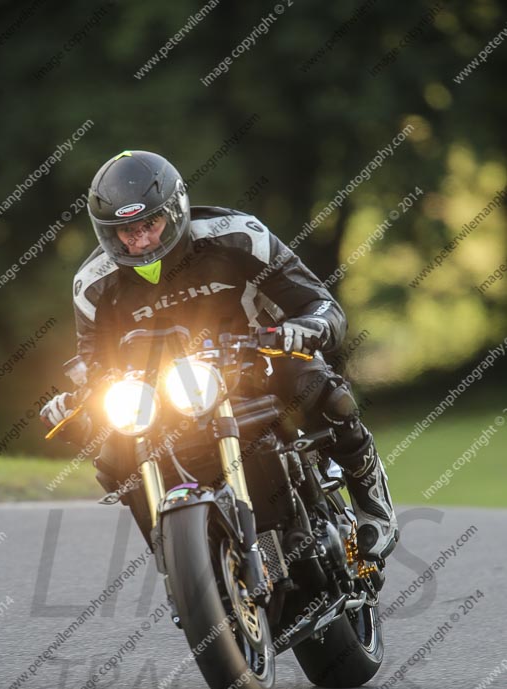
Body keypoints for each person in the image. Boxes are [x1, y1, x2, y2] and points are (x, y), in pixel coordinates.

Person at [41, 150, 398, 561]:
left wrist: (302, 330)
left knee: (318, 386)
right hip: (163, 397)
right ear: (107, 233)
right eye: (126, 231)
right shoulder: (92, 285)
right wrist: (78, 403)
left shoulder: (237, 235)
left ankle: (371, 497)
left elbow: (321, 304)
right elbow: (94, 364)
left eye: (149, 225)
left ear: (174, 212)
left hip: (255, 360)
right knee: (112, 455)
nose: (139, 240)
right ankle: (176, 557)